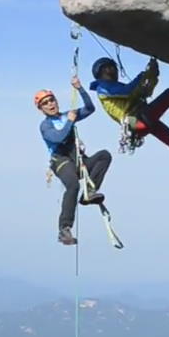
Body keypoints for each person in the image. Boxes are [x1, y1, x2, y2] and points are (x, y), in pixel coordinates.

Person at [89, 57, 169, 197]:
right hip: (134, 120)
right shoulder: (103, 87)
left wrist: (152, 75)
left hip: (139, 119)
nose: (114, 70)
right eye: (111, 68)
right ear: (104, 70)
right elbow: (128, 91)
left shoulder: (113, 86)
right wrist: (143, 74)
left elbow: (143, 92)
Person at [36, 77, 111, 245]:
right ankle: (64, 229)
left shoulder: (66, 115)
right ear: (41, 109)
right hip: (61, 161)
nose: (50, 104)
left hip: (77, 159)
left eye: (51, 100)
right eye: (45, 103)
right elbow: (58, 137)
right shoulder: (46, 125)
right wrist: (70, 120)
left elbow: (90, 109)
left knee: (104, 156)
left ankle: (89, 194)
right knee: (73, 185)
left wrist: (80, 89)